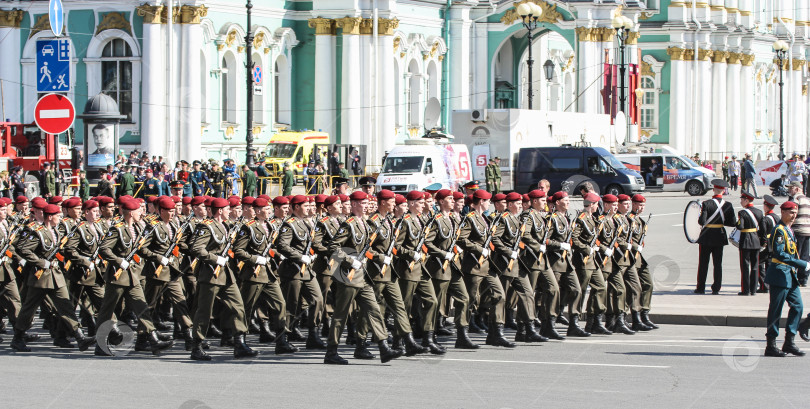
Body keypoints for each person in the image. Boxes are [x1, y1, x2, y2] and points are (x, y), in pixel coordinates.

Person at [324, 191, 403, 365]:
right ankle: (331, 351)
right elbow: (333, 247)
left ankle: (383, 347)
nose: (366, 205)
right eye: (362, 203)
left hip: (363, 276)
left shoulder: (367, 224)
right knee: (341, 315)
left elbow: (367, 248)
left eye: (367, 202)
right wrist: (349, 261)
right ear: (353, 205)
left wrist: (376, 257)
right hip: (348, 276)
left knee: (373, 309)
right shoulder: (349, 224)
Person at [9, 204, 97, 353]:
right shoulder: (38, 232)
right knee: (28, 309)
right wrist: (41, 262)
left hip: (56, 276)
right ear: (50, 217)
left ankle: (79, 336)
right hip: (40, 279)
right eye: (58, 216)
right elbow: (24, 249)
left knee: (66, 306)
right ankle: (17, 338)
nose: (60, 218)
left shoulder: (56, 231)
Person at [188, 197, 258, 361]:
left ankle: (239, 343)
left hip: (227, 275)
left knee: (238, 306)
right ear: (220, 210)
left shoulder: (227, 226)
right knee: (204, 311)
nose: (230, 211)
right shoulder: (206, 227)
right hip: (211, 274)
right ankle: (196, 346)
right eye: (227, 209)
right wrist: (214, 258)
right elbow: (196, 248)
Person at [763, 200, 808, 357]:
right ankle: (771, 344)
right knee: (776, 310)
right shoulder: (779, 230)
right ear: (782, 212)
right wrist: (803, 264)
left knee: (798, 306)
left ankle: (789, 341)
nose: (794, 215)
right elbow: (780, 254)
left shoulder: (790, 230)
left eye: (795, 213)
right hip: (779, 274)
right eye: (791, 212)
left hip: (790, 275)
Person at [695, 179, 737, 294]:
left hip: (707, 235)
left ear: (713, 190)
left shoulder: (706, 203)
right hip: (720, 235)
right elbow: (732, 222)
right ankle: (716, 288)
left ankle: (700, 287)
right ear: (723, 191)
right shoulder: (728, 205)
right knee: (718, 264)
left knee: (703, 263)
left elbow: (702, 221)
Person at [736, 190, 765, 296]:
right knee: (755, 266)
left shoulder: (742, 213)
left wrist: (737, 222)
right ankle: (753, 290)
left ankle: (745, 290)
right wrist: (762, 242)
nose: (740, 202)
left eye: (742, 200)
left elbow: (740, 227)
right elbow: (763, 230)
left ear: (746, 200)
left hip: (745, 242)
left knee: (745, 266)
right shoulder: (759, 212)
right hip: (756, 241)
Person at [787, 181, 810, 286]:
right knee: (805, 256)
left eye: (790, 188)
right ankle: (804, 278)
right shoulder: (807, 199)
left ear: (796, 188)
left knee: (795, 255)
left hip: (797, 230)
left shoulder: (796, 199)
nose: (789, 190)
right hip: (807, 231)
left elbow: (791, 214)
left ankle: (794, 277)